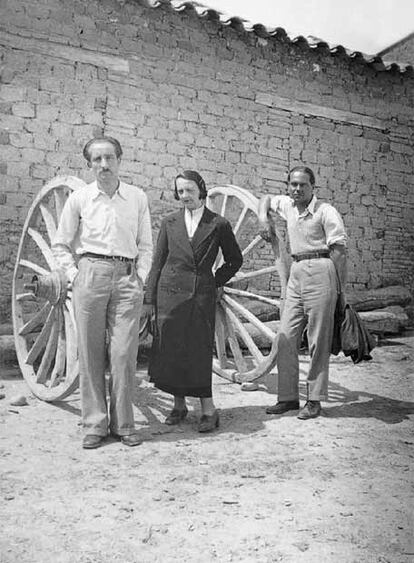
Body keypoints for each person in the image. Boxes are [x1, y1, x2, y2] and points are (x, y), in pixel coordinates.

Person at [53, 136, 153, 448]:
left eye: (109, 158)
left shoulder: (136, 197)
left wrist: (139, 277)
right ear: (89, 164)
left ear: (120, 160)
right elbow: (61, 243)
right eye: (97, 160)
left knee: (123, 354)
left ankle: (124, 425)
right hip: (90, 275)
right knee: (90, 352)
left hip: (126, 278)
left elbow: (146, 244)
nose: (104, 165)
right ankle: (94, 424)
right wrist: (74, 274)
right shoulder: (80, 198)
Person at [144, 170, 243, 432]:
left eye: (188, 190)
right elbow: (157, 263)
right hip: (169, 295)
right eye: (180, 191)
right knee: (171, 349)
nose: (184, 196)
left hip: (200, 296)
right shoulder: (169, 222)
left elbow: (235, 260)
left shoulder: (218, 224)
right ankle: (178, 405)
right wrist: (148, 299)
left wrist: (213, 280)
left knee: (199, 351)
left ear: (201, 190)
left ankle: (208, 410)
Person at [258, 166, 347, 419]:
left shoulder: (325, 211)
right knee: (285, 335)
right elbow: (264, 199)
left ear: (312, 187)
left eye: (303, 185)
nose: (297, 189)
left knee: (318, 338)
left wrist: (340, 290)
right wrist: (263, 218)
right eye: (293, 184)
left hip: (322, 268)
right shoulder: (287, 205)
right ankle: (288, 398)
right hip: (296, 270)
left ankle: (314, 399)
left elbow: (339, 252)